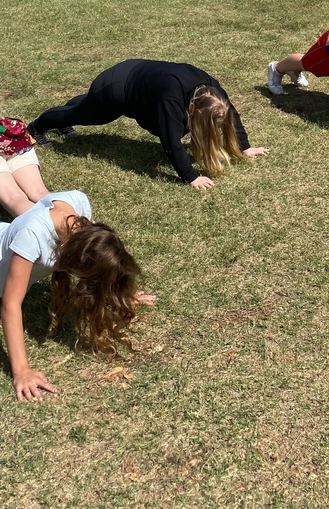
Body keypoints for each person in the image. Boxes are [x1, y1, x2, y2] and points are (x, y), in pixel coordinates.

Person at [0, 189, 154, 402]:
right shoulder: (32, 236)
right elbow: (10, 303)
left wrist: (119, 294)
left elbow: (100, 257)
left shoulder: (78, 203)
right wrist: (22, 371)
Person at [29, 61, 266, 189]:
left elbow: (230, 114)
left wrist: (245, 146)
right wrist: (190, 176)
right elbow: (170, 142)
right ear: (199, 110)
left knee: (85, 110)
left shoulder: (213, 93)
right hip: (117, 87)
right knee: (88, 114)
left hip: (136, 79)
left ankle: (77, 110)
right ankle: (37, 127)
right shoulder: (171, 100)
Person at [0, 117, 50, 217]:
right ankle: (83, 226)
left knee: (15, 199)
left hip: (9, 139)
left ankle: (47, 227)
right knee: (39, 192)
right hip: (11, 137)